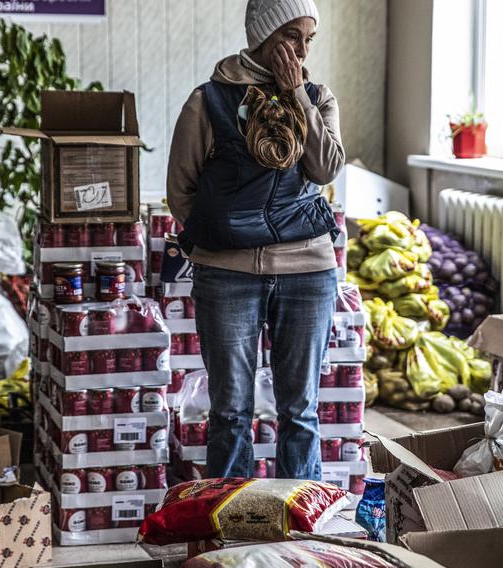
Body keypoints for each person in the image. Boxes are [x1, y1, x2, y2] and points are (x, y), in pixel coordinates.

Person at [167, 0, 344, 480]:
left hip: (308, 270)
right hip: (227, 273)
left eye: (309, 40)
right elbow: (180, 193)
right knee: (229, 412)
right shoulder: (208, 100)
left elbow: (326, 168)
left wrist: (297, 97)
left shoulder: (318, 96)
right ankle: (230, 530)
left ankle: (299, 529)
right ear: (264, 37)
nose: (302, 51)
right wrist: (224, 237)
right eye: (292, 37)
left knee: (300, 412)